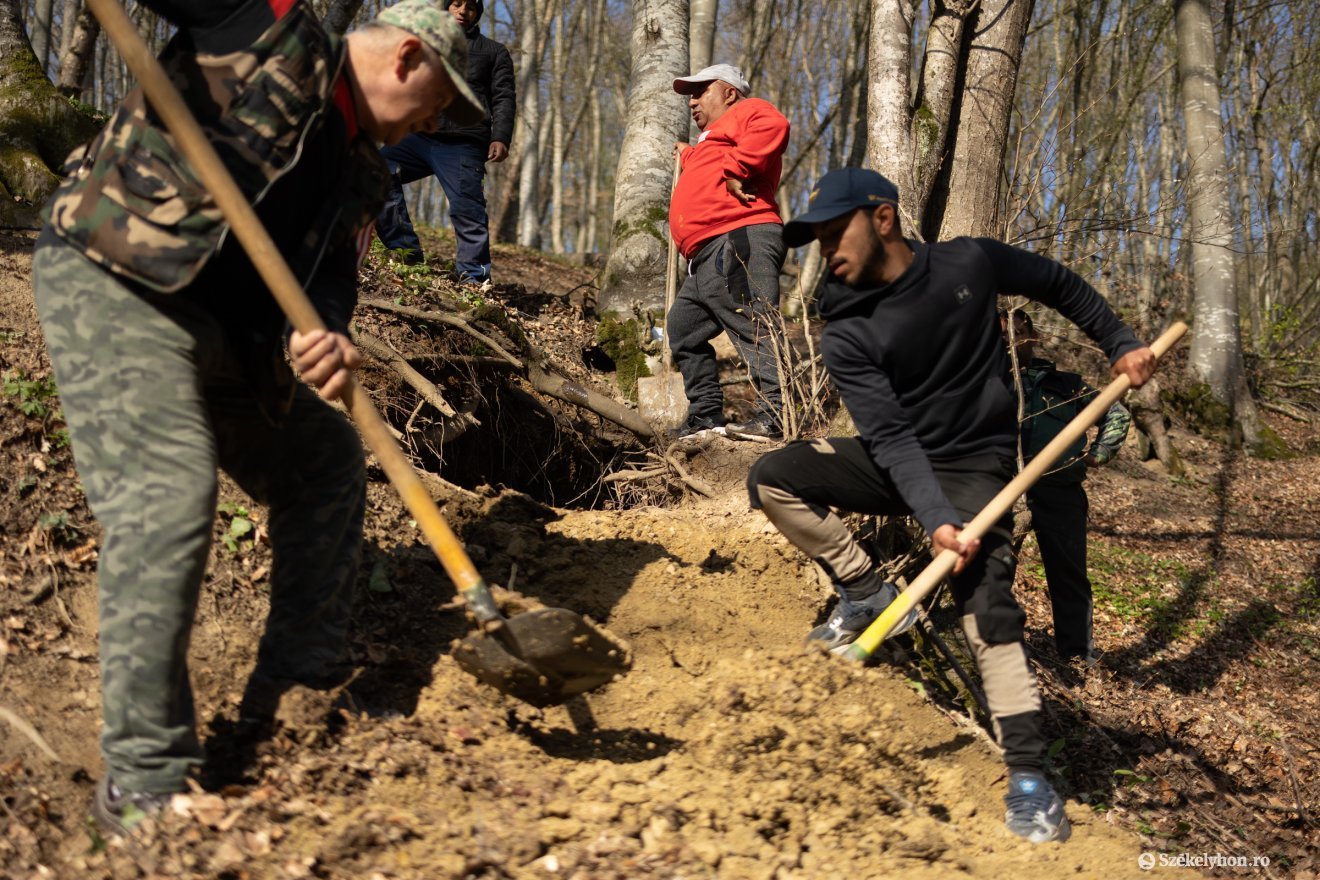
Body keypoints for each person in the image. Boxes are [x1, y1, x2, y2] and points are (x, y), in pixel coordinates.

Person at [32, 0, 483, 835]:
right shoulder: (274, 25)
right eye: (440, 102)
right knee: (167, 493)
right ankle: (142, 780)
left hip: (231, 340)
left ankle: (296, 699)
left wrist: (330, 342)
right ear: (409, 58)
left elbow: (327, 294)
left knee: (325, 462)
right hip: (119, 278)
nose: (435, 121)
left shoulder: (364, 174)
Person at [746, 168, 1157, 844]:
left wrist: (1118, 341)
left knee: (988, 601)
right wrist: (935, 517)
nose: (825, 250)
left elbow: (1059, 285)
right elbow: (892, 438)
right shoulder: (846, 327)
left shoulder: (971, 261)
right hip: (900, 464)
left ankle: (1029, 779)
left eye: (833, 231)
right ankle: (866, 592)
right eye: (815, 239)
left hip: (978, 469)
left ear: (883, 219)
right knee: (772, 477)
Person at [666, 63, 791, 439]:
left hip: (739, 236)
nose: (692, 102)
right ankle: (705, 414)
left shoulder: (750, 112)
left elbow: (776, 127)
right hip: (705, 254)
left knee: (753, 322)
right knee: (683, 328)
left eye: (701, 91)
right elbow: (710, 165)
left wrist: (739, 168)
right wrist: (688, 154)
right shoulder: (713, 139)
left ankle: (775, 416)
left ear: (729, 93)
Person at [1002, 308, 1131, 665]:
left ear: (1033, 336)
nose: (1011, 339)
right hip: (1003, 493)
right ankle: (998, 644)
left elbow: (1116, 412)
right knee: (996, 569)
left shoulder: (1067, 385)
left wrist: (1100, 452)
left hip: (1060, 491)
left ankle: (1077, 654)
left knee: (1069, 575)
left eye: (1018, 331)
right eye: (1003, 333)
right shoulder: (989, 381)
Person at [375, 0, 515, 281]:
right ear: (446, 7)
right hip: (417, 136)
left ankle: (473, 278)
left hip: (463, 142)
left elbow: (503, 97)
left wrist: (500, 136)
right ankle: (406, 254)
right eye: (457, 4)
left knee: (467, 209)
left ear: (478, 14)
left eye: (471, 7)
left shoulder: (493, 52)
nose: (463, 11)